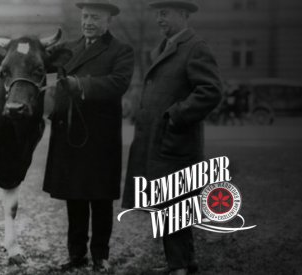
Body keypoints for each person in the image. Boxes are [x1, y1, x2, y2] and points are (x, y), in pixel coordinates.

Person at [122, 1, 222, 274]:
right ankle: (185, 263)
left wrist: (175, 115)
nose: (159, 20)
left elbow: (211, 91)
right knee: (170, 203)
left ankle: (179, 266)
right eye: (157, 14)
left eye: (164, 14)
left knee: (175, 204)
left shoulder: (195, 47)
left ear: (184, 14)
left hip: (176, 141)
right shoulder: (168, 47)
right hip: (161, 142)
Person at [43, 0, 134, 272]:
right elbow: (42, 66)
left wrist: (80, 84)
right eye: (85, 17)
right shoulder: (68, 48)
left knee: (100, 198)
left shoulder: (121, 50)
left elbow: (118, 83)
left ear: (108, 21)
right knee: (75, 196)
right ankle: (76, 254)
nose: (88, 22)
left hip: (100, 137)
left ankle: (100, 255)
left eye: (94, 17)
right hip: (70, 132)